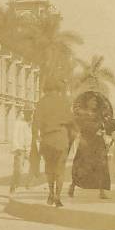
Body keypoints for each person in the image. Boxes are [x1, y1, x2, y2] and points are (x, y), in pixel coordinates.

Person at [32, 78, 75, 207]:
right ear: (58, 89)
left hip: (47, 140)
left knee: (49, 168)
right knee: (60, 170)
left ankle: (50, 193)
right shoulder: (64, 102)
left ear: (46, 89)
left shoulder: (41, 102)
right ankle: (57, 196)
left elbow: (35, 124)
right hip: (61, 139)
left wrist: (36, 136)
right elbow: (71, 122)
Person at [68, 93, 112, 199]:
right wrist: (95, 128)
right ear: (87, 102)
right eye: (93, 101)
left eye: (96, 102)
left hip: (98, 142)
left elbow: (104, 126)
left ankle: (102, 191)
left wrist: (104, 125)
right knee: (81, 166)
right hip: (86, 142)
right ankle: (72, 187)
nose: (95, 103)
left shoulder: (99, 114)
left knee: (101, 165)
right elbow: (80, 126)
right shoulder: (81, 113)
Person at [9, 109, 33, 195]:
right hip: (20, 149)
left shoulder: (31, 123)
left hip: (29, 148)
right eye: (27, 113)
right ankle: (13, 186)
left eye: (30, 113)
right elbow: (14, 136)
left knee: (34, 166)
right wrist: (16, 148)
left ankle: (28, 184)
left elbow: (34, 135)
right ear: (24, 113)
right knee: (18, 170)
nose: (29, 115)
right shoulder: (18, 123)